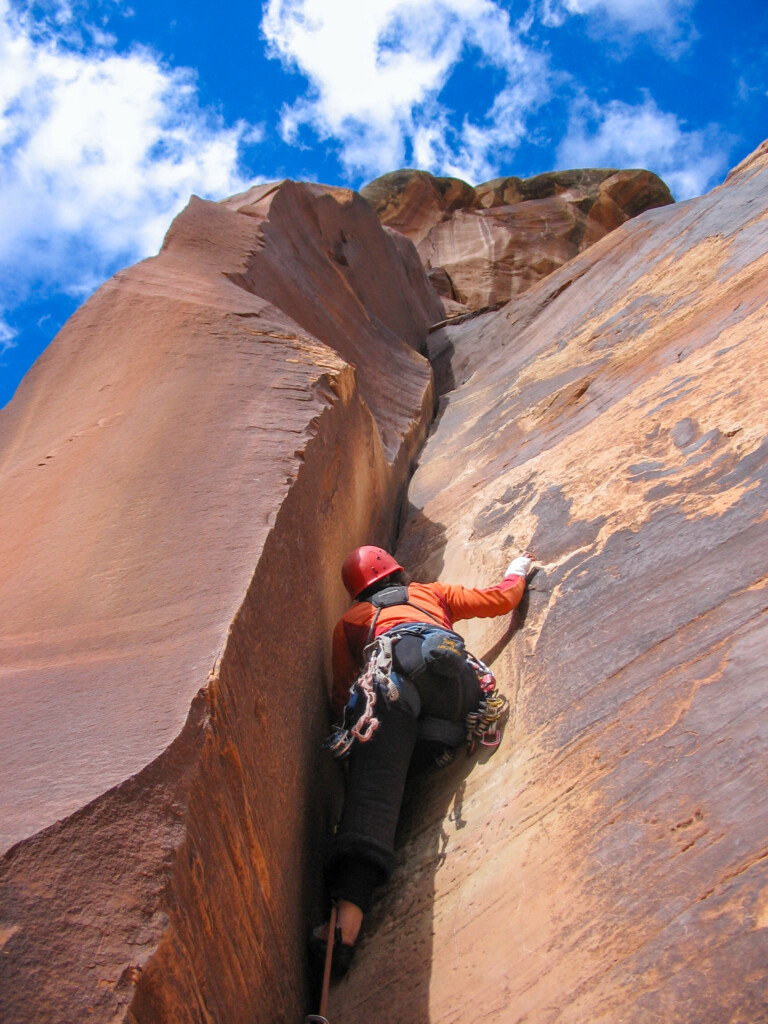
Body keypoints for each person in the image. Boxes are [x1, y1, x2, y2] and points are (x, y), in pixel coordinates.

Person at [310, 544, 533, 979]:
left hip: (393, 685)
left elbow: (342, 696)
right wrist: (518, 571)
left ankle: (344, 929)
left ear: (355, 591)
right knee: (421, 721)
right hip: (454, 692)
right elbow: (500, 600)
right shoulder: (432, 593)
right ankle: (429, 743)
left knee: (374, 791)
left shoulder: (353, 622)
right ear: (398, 572)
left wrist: (358, 754)